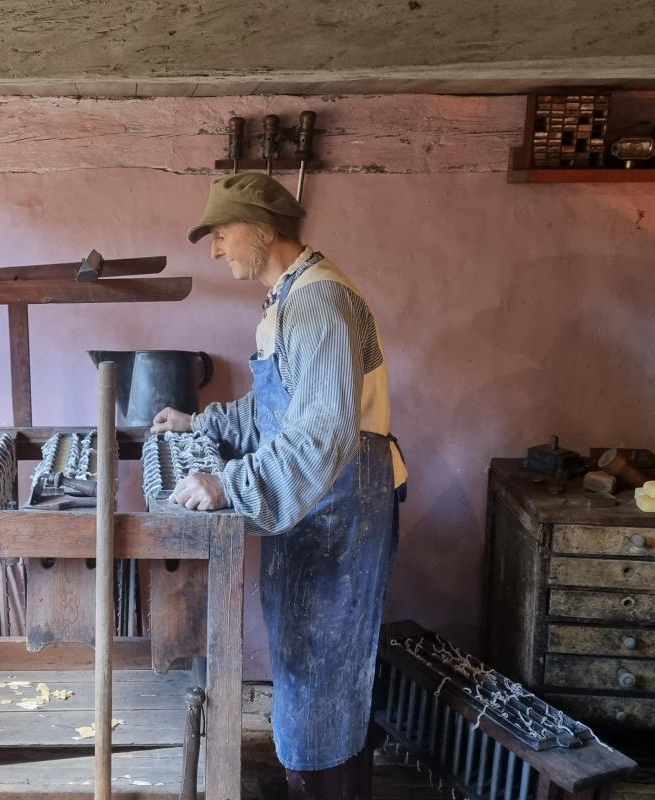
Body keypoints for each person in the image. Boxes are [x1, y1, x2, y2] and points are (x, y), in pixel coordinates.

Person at [150, 173, 408, 800]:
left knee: (325, 667)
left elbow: (321, 432)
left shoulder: (319, 302)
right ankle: (312, 782)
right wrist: (201, 422)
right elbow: (274, 412)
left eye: (221, 233)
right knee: (305, 661)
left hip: (341, 502)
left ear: (263, 230)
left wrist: (228, 484)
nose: (215, 249)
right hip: (316, 501)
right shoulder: (290, 297)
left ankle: (326, 790)